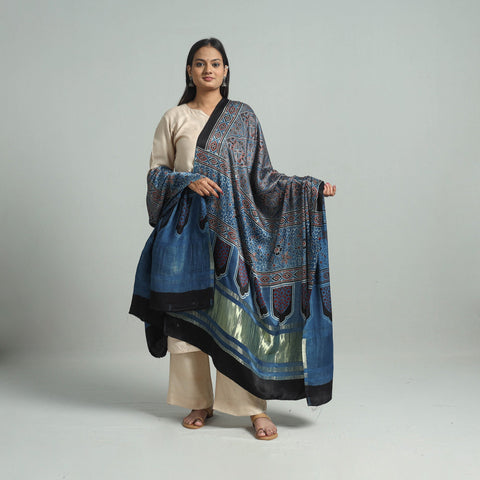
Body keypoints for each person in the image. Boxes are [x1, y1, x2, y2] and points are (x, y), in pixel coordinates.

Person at [129, 38, 336, 441]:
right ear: (189, 71)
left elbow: (264, 178)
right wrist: (188, 181)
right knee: (184, 321)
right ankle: (197, 402)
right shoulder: (174, 118)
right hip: (183, 233)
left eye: (215, 63)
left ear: (226, 71)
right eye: (199, 63)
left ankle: (250, 408)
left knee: (236, 319)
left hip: (231, 232)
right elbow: (156, 175)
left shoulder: (243, 118)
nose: (208, 70)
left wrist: (308, 188)